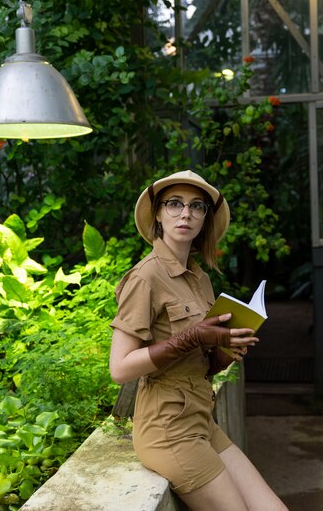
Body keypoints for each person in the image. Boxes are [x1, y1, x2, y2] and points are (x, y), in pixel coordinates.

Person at [109, 170, 288, 511]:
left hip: (201, 419)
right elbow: (119, 369)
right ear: (158, 214)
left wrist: (224, 352)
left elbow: (202, 366)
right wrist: (193, 337)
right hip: (168, 429)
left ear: (205, 219)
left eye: (197, 206)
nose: (185, 214)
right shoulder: (144, 277)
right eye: (174, 204)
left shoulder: (200, 279)